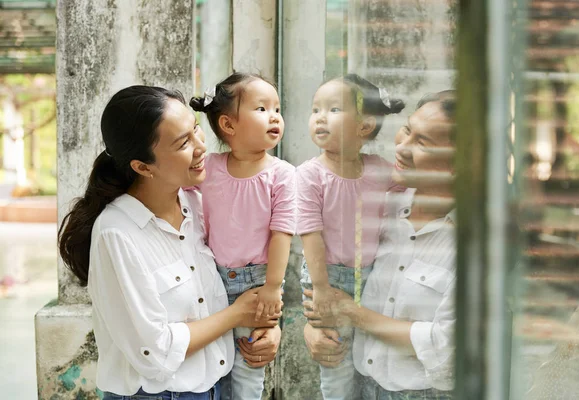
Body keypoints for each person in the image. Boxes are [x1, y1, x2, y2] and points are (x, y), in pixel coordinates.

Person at [57, 86, 282, 399]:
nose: (201, 146)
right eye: (183, 143)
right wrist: (237, 316)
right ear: (143, 166)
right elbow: (155, 352)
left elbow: (245, 278)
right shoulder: (117, 234)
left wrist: (266, 328)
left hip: (217, 388)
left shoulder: (201, 205)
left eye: (196, 129)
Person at [304, 90, 457, 399]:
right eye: (408, 129)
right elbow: (330, 274)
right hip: (358, 386)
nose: (402, 146)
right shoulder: (378, 204)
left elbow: (447, 347)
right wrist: (316, 329)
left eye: (423, 142)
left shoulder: (474, 244)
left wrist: (351, 313)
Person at [296, 74, 405, 400]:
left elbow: (404, 204)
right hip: (329, 277)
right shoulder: (310, 175)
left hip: (374, 275)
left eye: (333, 109)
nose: (319, 117)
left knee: (371, 357)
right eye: (316, 109)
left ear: (364, 126)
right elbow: (310, 236)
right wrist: (321, 288)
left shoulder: (382, 171)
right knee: (337, 364)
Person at [189, 72, 296, 400]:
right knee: (210, 366)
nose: (274, 116)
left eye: (277, 108)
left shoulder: (282, 175)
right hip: (209, 282)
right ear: (229, 125)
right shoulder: (208, 169)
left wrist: (273, 288)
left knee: (248, 374)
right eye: (261, 109)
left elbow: (282, 234)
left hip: (256, 286)